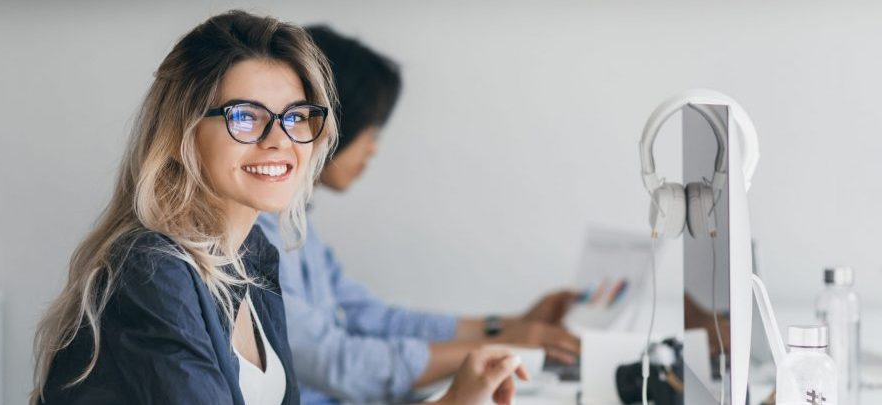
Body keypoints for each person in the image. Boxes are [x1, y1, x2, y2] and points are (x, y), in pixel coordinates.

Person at [30, 11, 530, 405]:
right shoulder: (153, 268)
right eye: (245, 117)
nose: (279, 141)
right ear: (181, 132)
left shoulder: (251, 253)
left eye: (296, 117)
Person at [256, 26, 581, 404]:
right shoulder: (255, 236)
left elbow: (375, 319)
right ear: (333, 122)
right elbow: (339, 363)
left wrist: (509, 326)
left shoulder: (298, 226)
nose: (374, 149)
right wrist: (505, 342)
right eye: (372, 129)